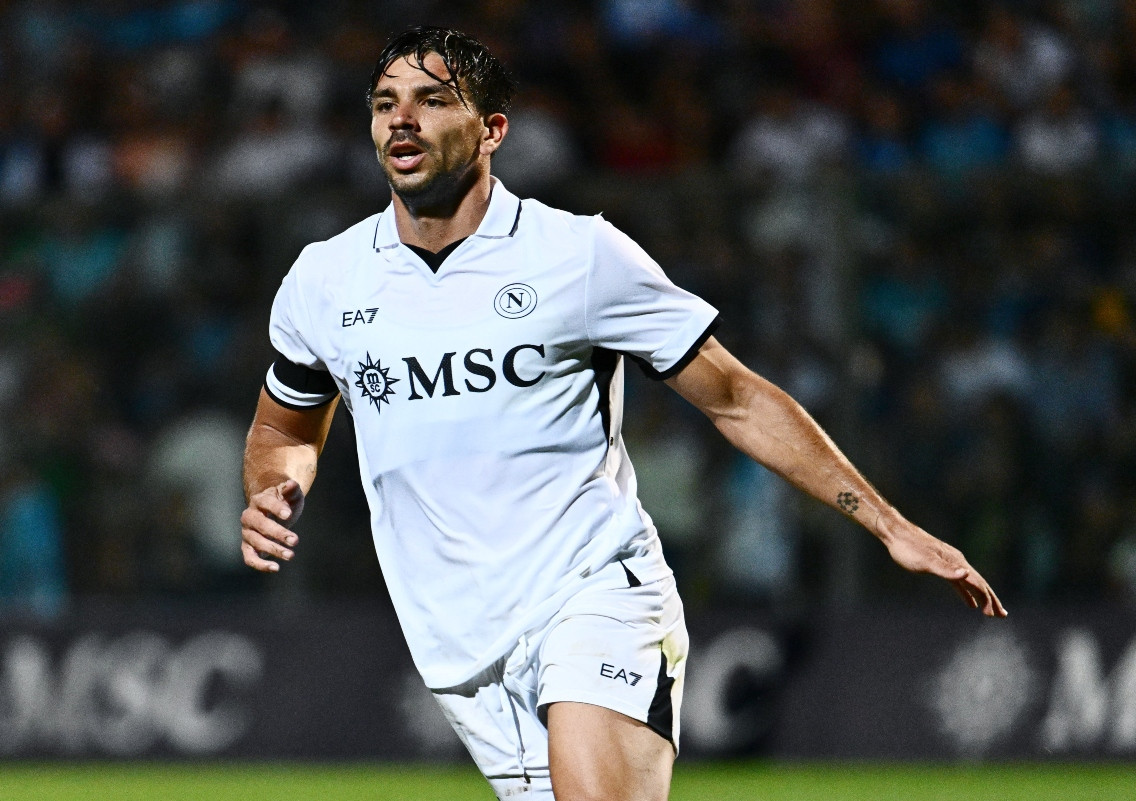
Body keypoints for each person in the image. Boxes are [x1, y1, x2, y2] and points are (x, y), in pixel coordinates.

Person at [240, 27, 1006, 801]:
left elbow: (735, 397)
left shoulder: (578, 255)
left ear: (492, 130)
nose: (402, 120)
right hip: (457, 644)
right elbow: (283, 427)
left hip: (593, 590)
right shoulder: (325, 279)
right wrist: (275, 486)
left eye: (432, 101)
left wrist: (888, 524)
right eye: (385, 104)